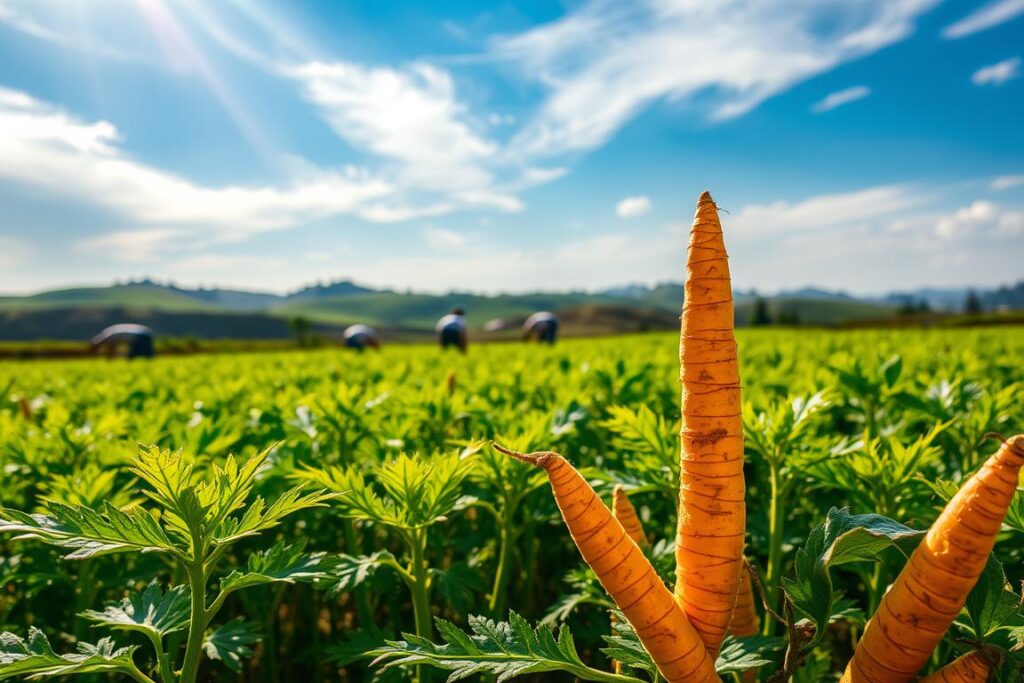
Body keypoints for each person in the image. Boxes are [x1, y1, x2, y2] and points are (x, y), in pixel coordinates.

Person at [90, 323, 155, 359]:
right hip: (145, 333)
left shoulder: (108, 336)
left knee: (135, 356)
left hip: (141, 336)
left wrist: (110, 360)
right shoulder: (108, 332)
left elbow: (112, 351)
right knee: (145, 354)